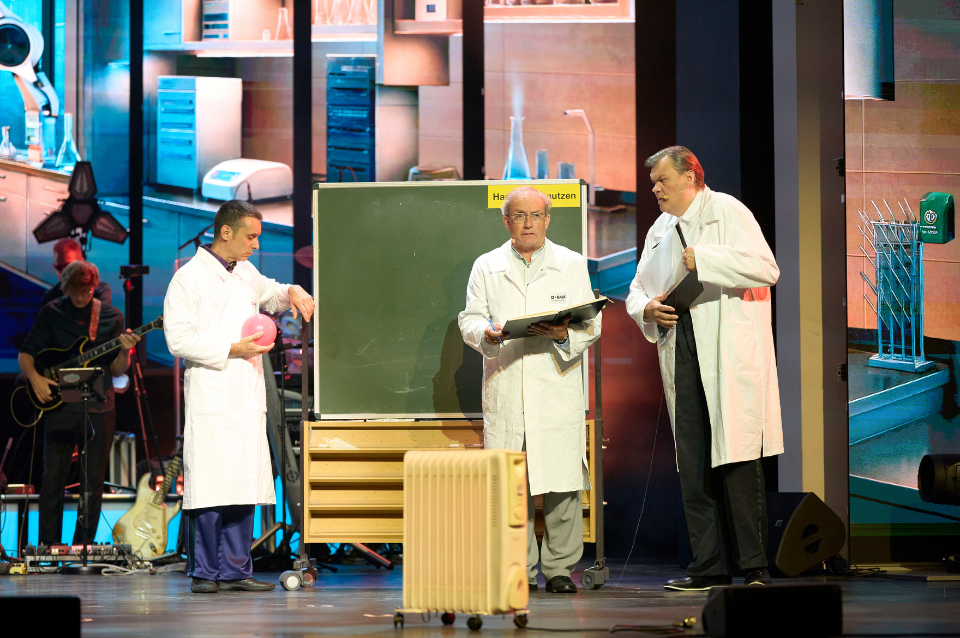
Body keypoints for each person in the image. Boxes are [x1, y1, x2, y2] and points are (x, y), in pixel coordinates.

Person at [626, 146, 783, 590]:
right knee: (693, 463)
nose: (656, 189)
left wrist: (707, 260)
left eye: (662, 180)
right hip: (681, 344)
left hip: (726, 348)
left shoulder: (728, 211)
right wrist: (647, 308)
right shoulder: (660, 228)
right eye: (653, 183)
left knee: (736, 458)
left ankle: (754, 567)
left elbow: (767, 269)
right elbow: (637, 287)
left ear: (690, 177)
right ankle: (708, 566)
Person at [163, 199, 314, 594]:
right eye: (250, 237)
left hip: (246, 395)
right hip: (213, 392)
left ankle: (235, 570)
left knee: (242, 481)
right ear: (225, 232)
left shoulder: (245, 272)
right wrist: (232, 349)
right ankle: (205, 573)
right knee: (212, 484)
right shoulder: (189, 278)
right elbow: (177, 339)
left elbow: (273, 293)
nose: (256, 245)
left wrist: (294, 291)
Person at [458, 186, 601, 594]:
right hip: (507, 383)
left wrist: (562, 334)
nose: (528, 223)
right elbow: (470, 318)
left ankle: (559, 569)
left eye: (536, 215)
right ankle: (517, 566)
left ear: (547, 220)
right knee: (512, 485)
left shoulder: (570, 263)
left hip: (555, 385)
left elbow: (591, 324)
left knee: (561, 483)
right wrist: (486, 334)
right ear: (507, 221)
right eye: (519, 215)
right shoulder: (487, 265)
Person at [19, 260, 140, 546]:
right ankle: (49, 548)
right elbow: (26, 353)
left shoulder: (111, 316)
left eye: (85, 292)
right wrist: (35, 378)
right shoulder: (52, 311)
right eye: (73, 292)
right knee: (52, 481)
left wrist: (126, 352)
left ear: (94, 287)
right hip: (59, 407)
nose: (79, 297)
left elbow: (116, 370)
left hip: (98, 408)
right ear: (65, 287)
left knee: (92, 484)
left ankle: (81, 547)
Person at [40, 238, 112, 307]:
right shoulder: (50, 296)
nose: (63, 272)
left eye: (68, 266)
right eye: (58, 267)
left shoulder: (99, 290)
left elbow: (103, 314)